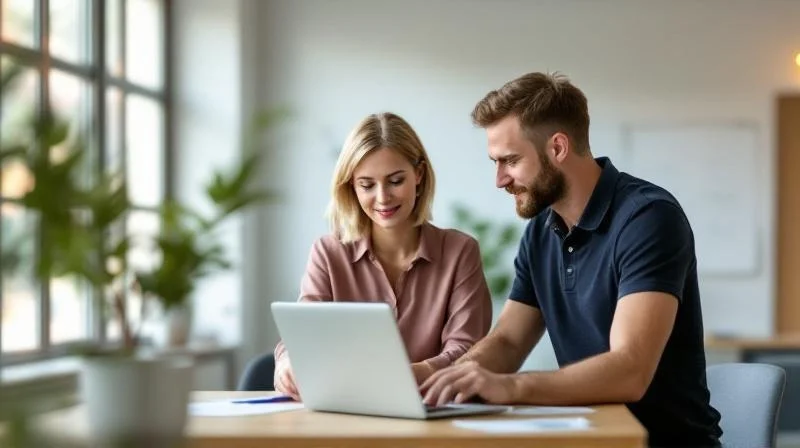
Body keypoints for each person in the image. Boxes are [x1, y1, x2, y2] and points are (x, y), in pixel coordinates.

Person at [419, 72, 722, 447]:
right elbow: (511, 341)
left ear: (558, 148)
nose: (499, 179)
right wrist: (447, 384)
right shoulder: (541, 231)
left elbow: (630, 369)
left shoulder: (648, 219)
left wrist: (508, 387)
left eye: (510, 160)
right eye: (495, 162)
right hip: (589, 438)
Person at [274, 112, 492, 400]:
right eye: (367, 185)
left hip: (434, 415)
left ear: (419, 174)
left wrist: (417, 373)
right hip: (348, 415)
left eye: (395, 180)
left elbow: (468, 350)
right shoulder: (328, 253)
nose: (382, 197)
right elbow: (303, 337)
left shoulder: (459, 252)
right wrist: (287, 362)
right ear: (351, 185)